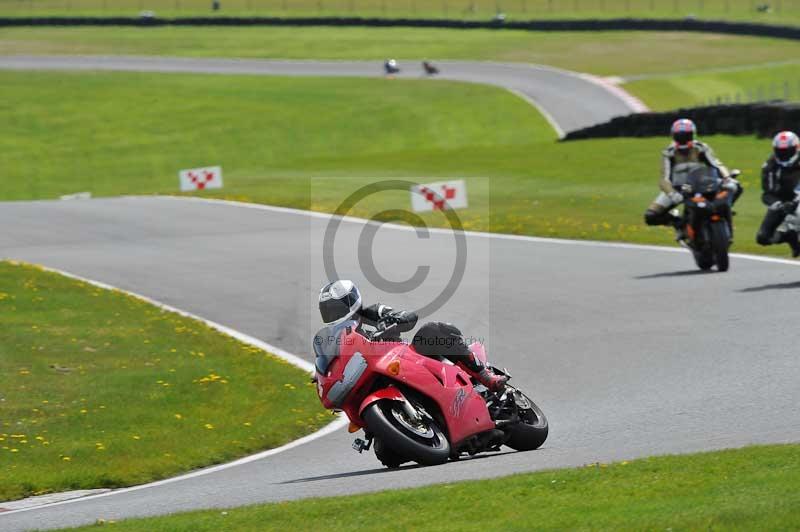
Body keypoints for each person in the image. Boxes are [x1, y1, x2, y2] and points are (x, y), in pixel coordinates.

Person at [316, 280, 507, 392]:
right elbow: (333, 356)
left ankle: (485, 376)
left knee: (432, 331)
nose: (333, 314)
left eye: (335, 308)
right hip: (374, 372)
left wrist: (396, 319)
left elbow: (408, 316)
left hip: (406, 358)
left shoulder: (371, 313)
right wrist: (323, 373)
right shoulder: (337, 337)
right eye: (328, 310)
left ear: (351, 301)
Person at [644, 118, 742, 238]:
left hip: (703, 184)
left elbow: (716, 164)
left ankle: (724, 211)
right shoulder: (668, 153)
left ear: (693, 135)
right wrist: (672, 194)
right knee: (651, 216)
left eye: (686, 136)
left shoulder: (701, 148)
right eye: (679, 136)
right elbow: (664, 179)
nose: (683, 139)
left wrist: (727, 178)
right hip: (678, 188)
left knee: (736, 186)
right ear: (673, 137)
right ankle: (679, 224)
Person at [756, 131, 800, 257]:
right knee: (762, 238)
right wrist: (780, 205)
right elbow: (767, 194)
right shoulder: (770, 166)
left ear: (796, 148)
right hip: (783, 202)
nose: (784, 154)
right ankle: (788, 237)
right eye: (781, 151)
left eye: (787, 151)